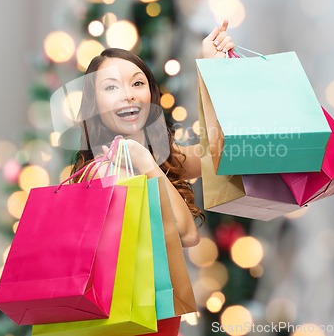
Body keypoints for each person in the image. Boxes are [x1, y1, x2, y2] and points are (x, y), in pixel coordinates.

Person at [71, 20, 235, 248]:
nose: (128, 95)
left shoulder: (157, 156)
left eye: (138, 83)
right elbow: (186, 234)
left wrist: (212, 71)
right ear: (94, 104)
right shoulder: (103, 171)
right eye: (111, 87)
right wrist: (148, 165)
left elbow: (223, 154)